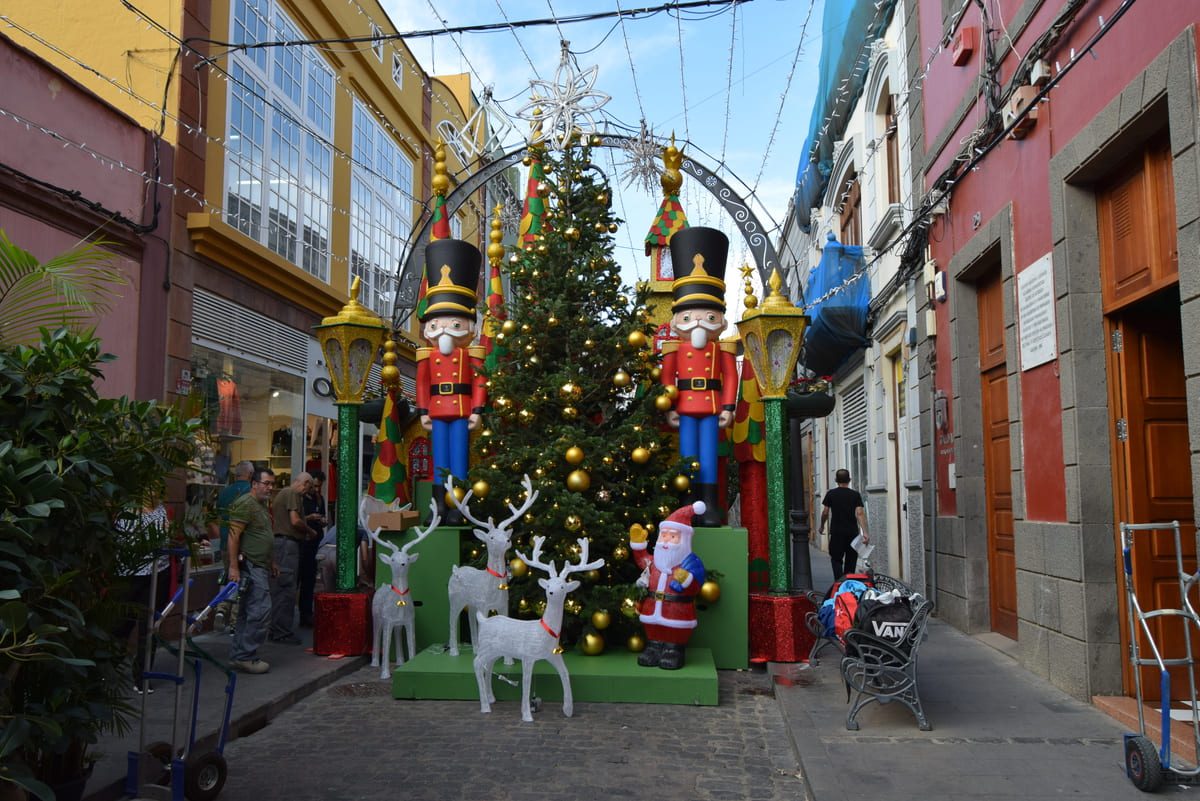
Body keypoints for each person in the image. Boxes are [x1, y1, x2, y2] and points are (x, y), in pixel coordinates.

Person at [660, 227, 738, 527]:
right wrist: (669, 407)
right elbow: (667, 378)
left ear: (720, 319)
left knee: (707, 458)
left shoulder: (724, 348)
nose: (698, 323)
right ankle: (685, 505)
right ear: (677, 319)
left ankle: (708, 506)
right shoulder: (673, 348)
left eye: (708, 316)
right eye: (689, 317)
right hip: (684, 408)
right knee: (686, 457)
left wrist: (728, 407)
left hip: (711, 407)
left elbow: (730, 377)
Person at [415, 238, 486, 526]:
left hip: (460, 409)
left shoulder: (471, 354)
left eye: (454, 323)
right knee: (438, 463)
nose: (444, 328)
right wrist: (422, 411)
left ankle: (458, 509)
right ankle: (438, 509)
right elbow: (421, 385)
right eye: (436, 323)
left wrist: (477, 410)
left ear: (469, 325)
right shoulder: (426, 356)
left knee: (459, 461)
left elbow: (480, 383)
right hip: (436, 409)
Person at [630, 501, 707, 670]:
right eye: (664, 536)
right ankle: (653, 647)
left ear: (684, 540)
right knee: (653, 632)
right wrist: (638, 546)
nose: (666, 542)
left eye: (673, 537)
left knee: (675, 632)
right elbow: (642, 560)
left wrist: (687, 580)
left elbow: (695, 586)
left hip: (677, 612)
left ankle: (674, 650)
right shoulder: (654, 563)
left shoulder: (689, 564)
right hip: (651, 608)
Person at [115, 493, 171, 693]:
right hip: (131, 574)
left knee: (149, 626)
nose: (155, 491)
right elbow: (127, 542)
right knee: (123, 623)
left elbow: (165, 536)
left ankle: (142, 676)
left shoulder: (161, 508)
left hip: (158, 573)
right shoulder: (127, 509)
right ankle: (109, 668)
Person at [227, 468, 277, 674]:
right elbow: (233, 535)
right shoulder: (245, 504)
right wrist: (233, 566)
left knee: (248, 612)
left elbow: (263, 534)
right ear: (254, 483)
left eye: (272, 484)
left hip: (260, 564)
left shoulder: (262, 505)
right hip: (250, 565)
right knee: (260, 611)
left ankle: (240, 654)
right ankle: (246, 655)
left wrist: (272, 561)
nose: (270, 488)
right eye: (266, 483)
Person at [269, 471, 313, 644]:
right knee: (286, 588)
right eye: (308, 488)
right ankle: (281, 631)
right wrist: (309, 530)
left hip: (282, 544)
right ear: (304, 483)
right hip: (287, 545)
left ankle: (276, 629)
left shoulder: (283, 494)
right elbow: (294, 520)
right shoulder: (292, 493)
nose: (305, 492)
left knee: (280, 587)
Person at [214, 460, 254, 632]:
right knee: (241, 581)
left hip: (225, 541)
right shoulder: (250, 492)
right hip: (243, 543)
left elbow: (215, 517)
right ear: (251, 475)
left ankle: (221, 609)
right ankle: (234, 622)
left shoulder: (224, 492)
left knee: (228, 577)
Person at [820, 469, 870, 579]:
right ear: (849, 480)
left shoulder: (831, 494)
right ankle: (848, 583)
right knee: (851, 561)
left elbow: (825, 512)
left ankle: (838, 582)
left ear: (836, 480)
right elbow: (860, 513)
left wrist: (822, 525)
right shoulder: (855, 495)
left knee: (836, 559)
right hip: (852, 533)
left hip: (837, 532)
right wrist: (865, 532)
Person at [298, 470, 327, 627]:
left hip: (315, 542)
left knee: (309, 580)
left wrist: (322, 521)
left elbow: (323, 516)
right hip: (303, 542)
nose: (316, 489)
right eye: (314, 486)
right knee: (299, 578)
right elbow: (295, 520)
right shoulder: (300, 499)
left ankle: (306, 614)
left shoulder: (319, 499)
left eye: (319, 486)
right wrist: (309, 518)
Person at [316, 521, 370, 594]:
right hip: (338, 553)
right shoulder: (363, 531)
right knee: (346, 590)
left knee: (329, 592)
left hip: (322, 553)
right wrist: (368, 576)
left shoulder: (336, 526)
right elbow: (365, 558)